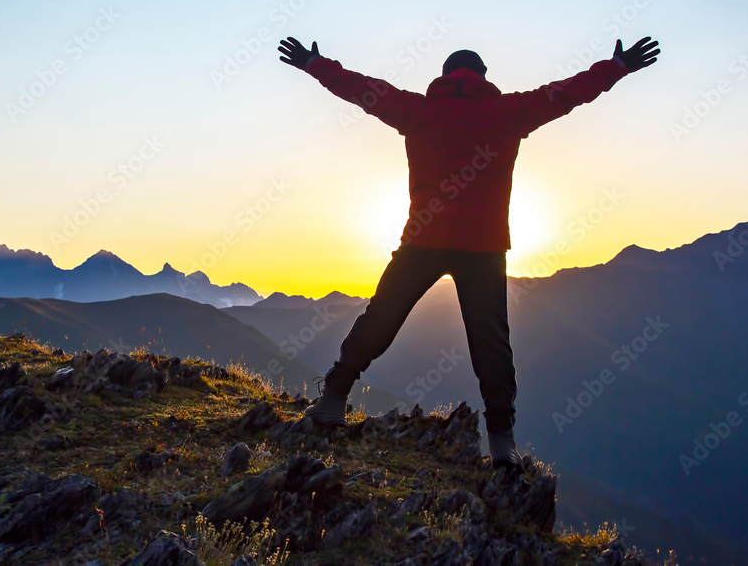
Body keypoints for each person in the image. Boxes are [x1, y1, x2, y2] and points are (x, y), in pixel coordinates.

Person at [277, 34, 660, 468]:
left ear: (443, 77)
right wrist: (618, 67)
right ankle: (501, 440)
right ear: (482, 77)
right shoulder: (507, 112)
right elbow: (568, 93)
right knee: (490, 342)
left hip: (423, 239)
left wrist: (314, 63)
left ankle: (334, 397)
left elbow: (361, 88)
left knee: (381, 317)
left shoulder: (419, 110)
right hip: (483, 247)